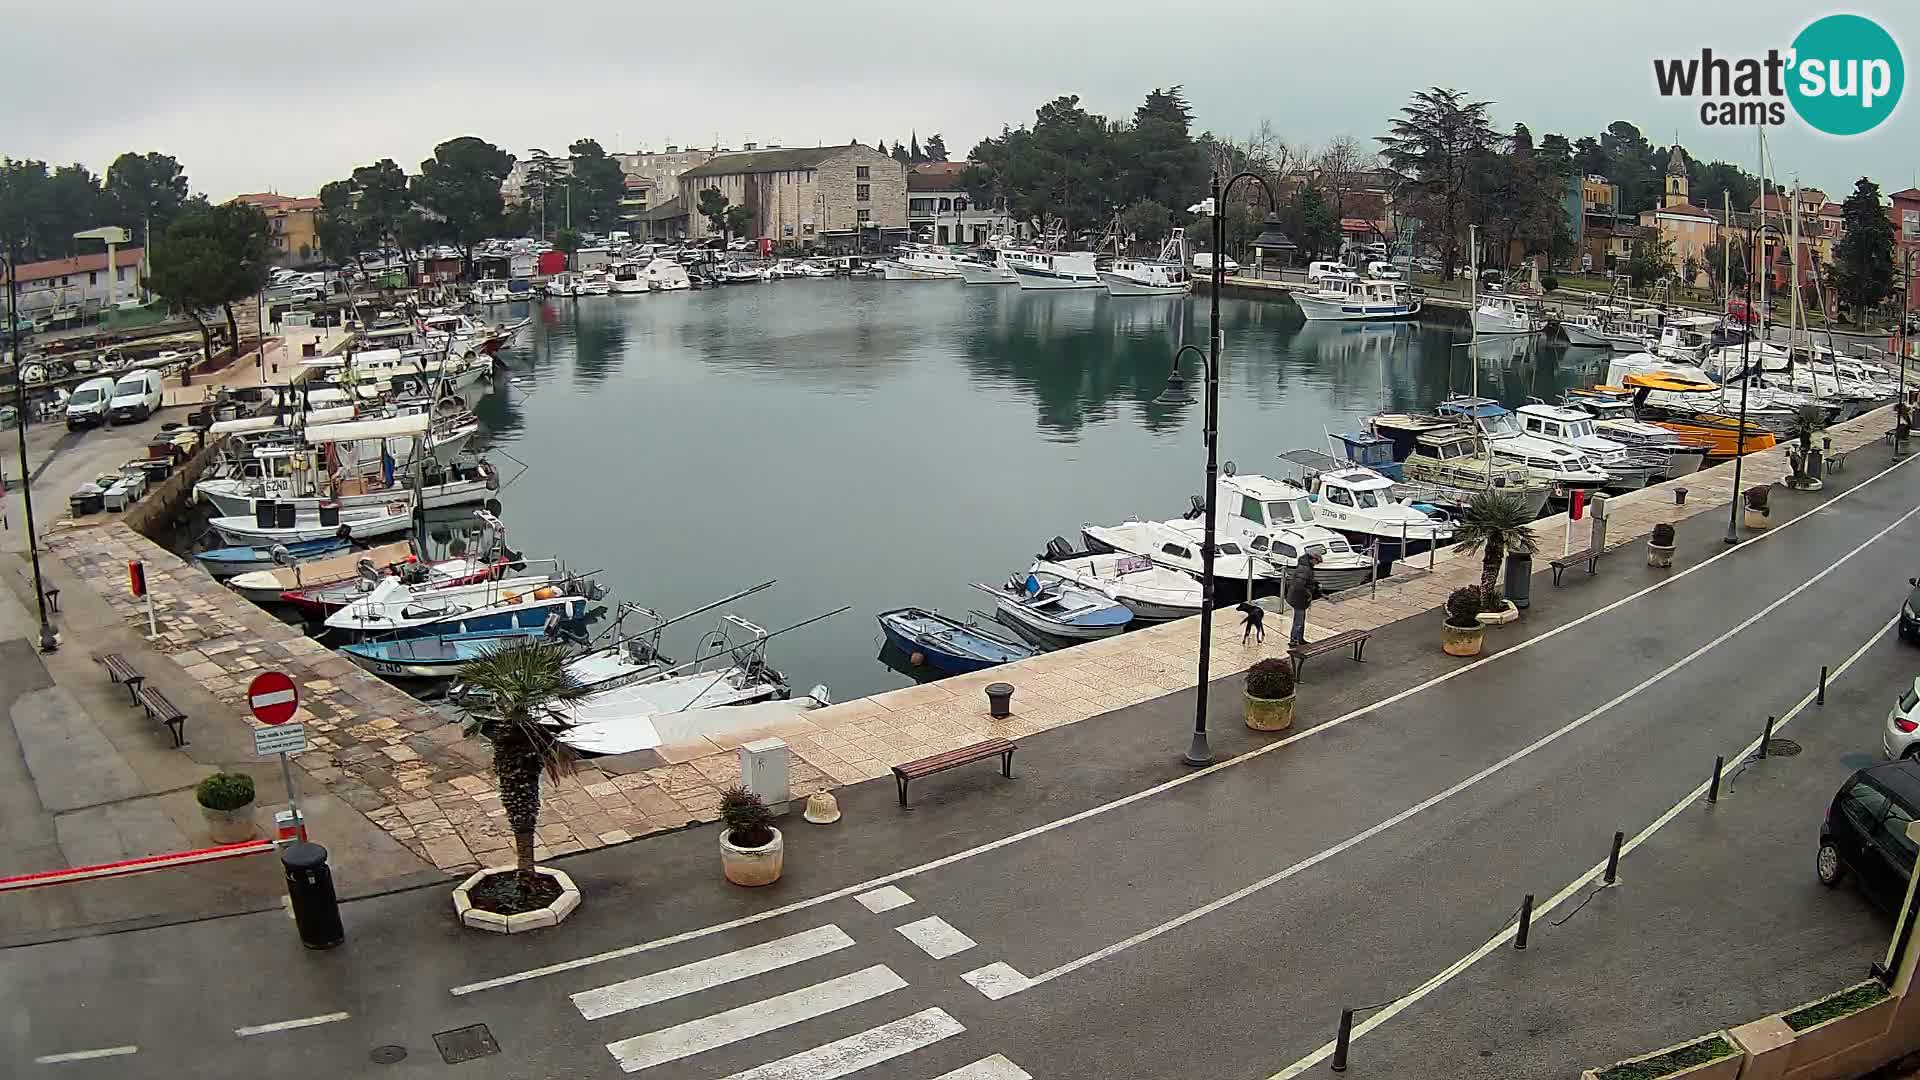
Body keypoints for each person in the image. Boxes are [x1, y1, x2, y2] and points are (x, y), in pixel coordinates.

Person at [1287, 553, 1318, 647]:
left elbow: (1305, 581)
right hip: (1298, 598)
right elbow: (1299, 585)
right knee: (1299, 621)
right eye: (1316, 561)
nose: (1316, 564)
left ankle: (1300, 639)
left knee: (1301, 620)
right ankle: (1294, 641)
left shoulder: (1305, 567)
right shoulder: (1305, 569)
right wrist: (1308, 593)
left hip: (1300, 598)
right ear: (1312, 559)